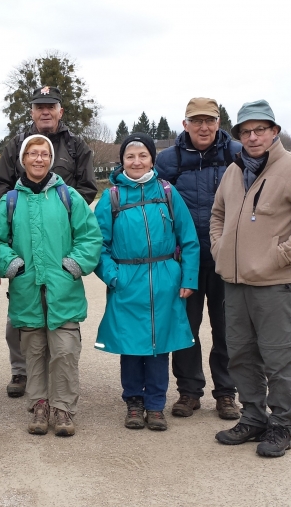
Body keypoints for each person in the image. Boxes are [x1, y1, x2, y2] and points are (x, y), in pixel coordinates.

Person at [211, 100, 291, 457]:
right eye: (246, 131)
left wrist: (280, 256)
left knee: (277, 359)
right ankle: (253, 417)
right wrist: (220, 249)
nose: (253, 136)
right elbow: (217, 214)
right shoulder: (233, 171)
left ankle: (282, 426)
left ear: (274, 131)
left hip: (274, 285)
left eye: (260, 129)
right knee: (241, 356)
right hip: (234, 282)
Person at [0, 134, 101, 436]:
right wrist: (14, 266)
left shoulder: (68, 197)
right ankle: (39, 403)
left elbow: (89, 237)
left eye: (44, 154)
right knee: (33, 351)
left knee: (64, 350)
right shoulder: (11, 200)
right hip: (27, 290)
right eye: (33, 154)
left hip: (63, 290)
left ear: (51, 159)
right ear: (23, 160)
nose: (39, 159)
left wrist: (71, 267)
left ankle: (63, 408)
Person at [0, 85, 98, 398]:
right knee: (21, 316)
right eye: (40, 106)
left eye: (51, 106)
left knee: (61, 318)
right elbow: (0, 185)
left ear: (60, 111)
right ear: (33, 111)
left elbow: (87, 188)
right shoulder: (13, 146)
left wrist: (59, 209)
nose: (46, 111)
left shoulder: (76, 146)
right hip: (23, 240)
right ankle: (21, 371)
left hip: (59, 237)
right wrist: (17, 212)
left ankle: (59, 384)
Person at [94, 133, 199, 431]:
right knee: (131, 346)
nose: (136, 161)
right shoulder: (111, 197)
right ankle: (133, 403)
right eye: (130, 156)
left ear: (152, 159)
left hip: (165, 280)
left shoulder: (168, 192)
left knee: (159, 346)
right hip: (127, 281)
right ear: (122, 161)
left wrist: (187, 277)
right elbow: (97, 245)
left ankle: (155, 405)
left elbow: (188, 239)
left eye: (142, 155)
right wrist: (113, 277)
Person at [154, 97, 241, 420]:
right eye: (197, 121)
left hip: (226, 258)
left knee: (227, 329)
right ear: (185, 124)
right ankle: (189, 392)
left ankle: (226, 393)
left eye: (210, 120)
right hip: (185, 261)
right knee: (186, 328)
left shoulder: (236, 154)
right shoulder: (167, 159)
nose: (203, 127)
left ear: (218, 123)